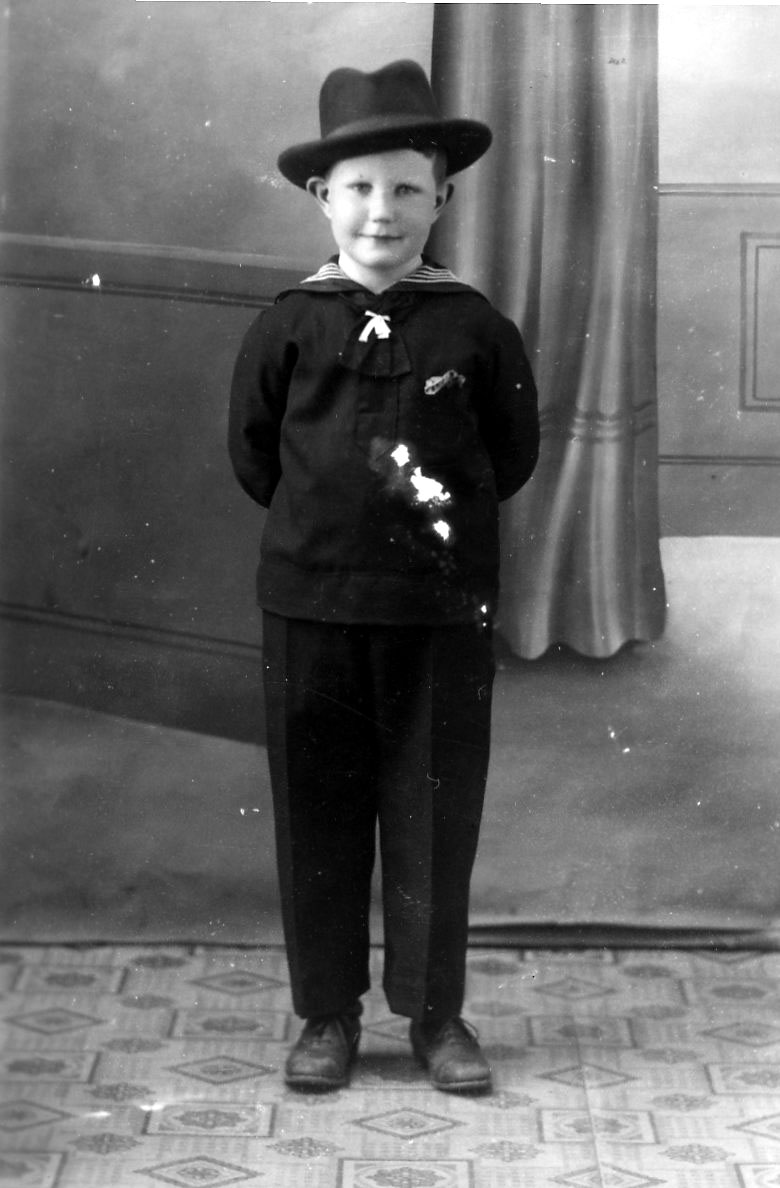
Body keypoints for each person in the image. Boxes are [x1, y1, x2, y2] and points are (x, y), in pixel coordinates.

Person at [228, 59, 539, 1094]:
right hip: (311, 607)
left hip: (437, 614)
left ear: (441, 198)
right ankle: (327, 1014)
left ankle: (435, 1015)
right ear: (323, 196)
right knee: (316, 813)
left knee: (433, 814)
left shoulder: (476, 328)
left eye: (408, 188)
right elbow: (255, 457)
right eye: (360, 188)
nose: (382, 211)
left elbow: (511, 453)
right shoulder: (288, 324)